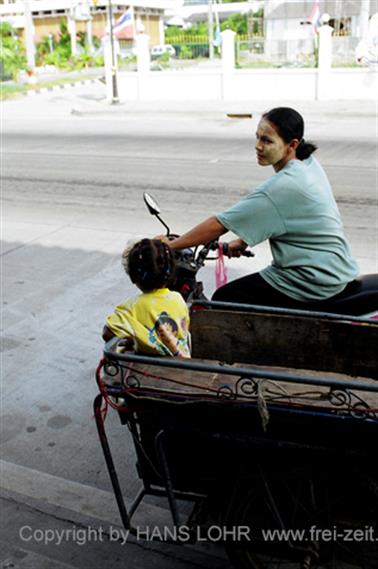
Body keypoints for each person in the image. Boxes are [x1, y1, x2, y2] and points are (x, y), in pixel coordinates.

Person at [167, 107, 359, 309]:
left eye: (267, 141)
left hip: (310, 280)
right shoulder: (308, 164)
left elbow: (218, 224)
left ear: (291, 145)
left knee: (225, 299)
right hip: (332, 268)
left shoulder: (283, 186)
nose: (258, 146)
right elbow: (288, 216)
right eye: (257, 138)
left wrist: (169, 246)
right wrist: (242, 241)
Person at [103, 238, 191, 357]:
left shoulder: (130, 307)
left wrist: (134, 340)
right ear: (170, 273)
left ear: (133, 277)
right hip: (183, 364)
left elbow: (107, 333)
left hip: (147, 370)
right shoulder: (178, 298)